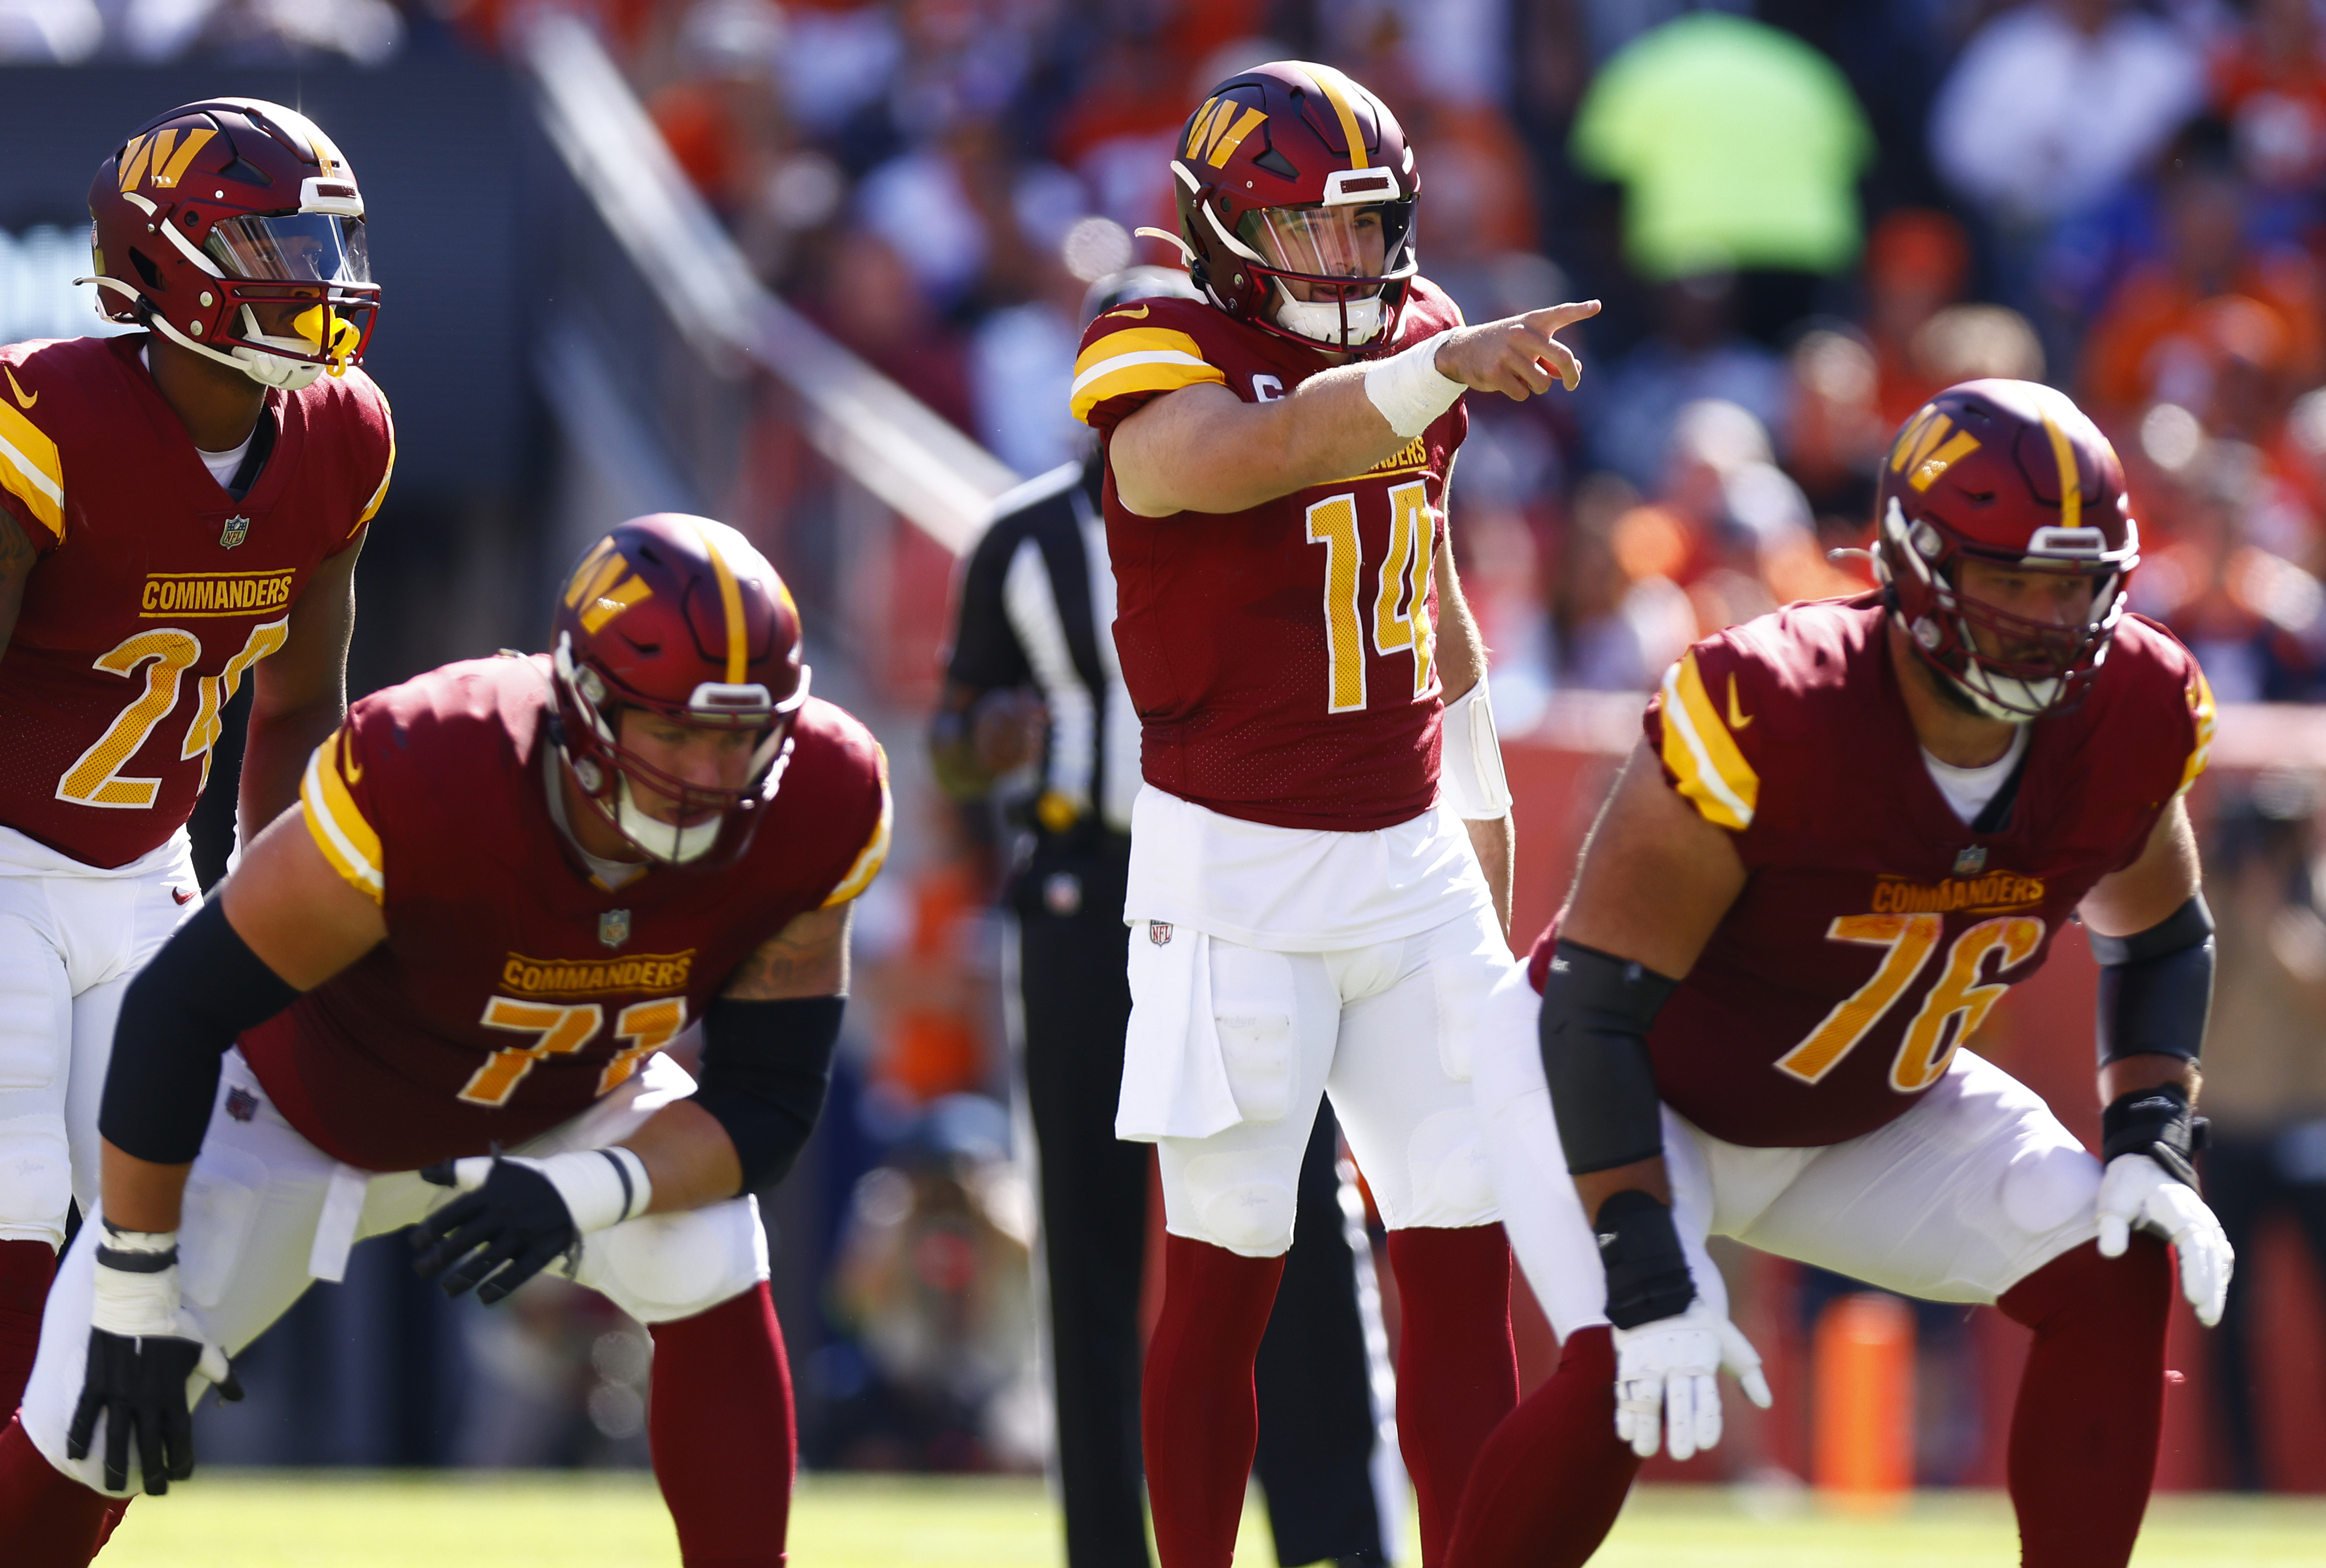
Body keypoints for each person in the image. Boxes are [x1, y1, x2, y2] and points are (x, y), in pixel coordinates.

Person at [0, 514, 889, 1568]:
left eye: (740, 736)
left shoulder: (824, 795)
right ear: (585, 707)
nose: (711, 770)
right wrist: (137, 1277)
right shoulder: (431, 764)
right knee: (91, 1414)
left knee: (704, 1240)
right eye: (677, 732)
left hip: (564, 1092)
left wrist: (584, 1191)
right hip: (297, 1101)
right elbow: (176, 1008)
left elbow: (768, 1102)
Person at [1450, 379, 2237, 1568]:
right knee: (1630, 1355)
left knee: (2112, 1262)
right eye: (2011, 581)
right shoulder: (1774, 701)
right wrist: (1651, 1257)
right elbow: (1599, 1004)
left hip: (1875, 1104)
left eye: (2072, 584)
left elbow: (2163, 929)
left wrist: (2147, 1130)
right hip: (1631, 1084)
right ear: (1919, 568)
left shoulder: (2129, 702)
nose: (2044, 618)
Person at [1068, 58, 1599, 1568]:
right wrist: (1426, 377)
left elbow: (1429, 599)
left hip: (1410, 851)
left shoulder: (1420, 343)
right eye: (1312, 231)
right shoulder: (1157, 338)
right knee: (1228, 1264)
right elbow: (1233, 458)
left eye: (1371, 230)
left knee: (1456, 1244)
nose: (1351, 265)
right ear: (1227, 230)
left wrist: (1481, 838)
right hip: (1234, 865)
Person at [938, 269, 1401, 1568]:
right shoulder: (1023, 539)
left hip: (1249, 896)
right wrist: (988, 741)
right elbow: (953, 730)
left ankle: (1335, 1538)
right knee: (1086, 1242)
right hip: (1088, 896)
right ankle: (1107, 1549)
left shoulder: (1274, 491)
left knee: (1298, 1225)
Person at [0, 96, 395, 1414]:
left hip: (148, 873)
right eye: (282, 244)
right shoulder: (45, 415)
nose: (320, 281)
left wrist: (268, 916)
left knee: (146, 1271)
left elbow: (297, 703)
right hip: (4, 864)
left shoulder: (343, 434)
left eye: (328, 246)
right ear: (172, 263)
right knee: (11, 1231)